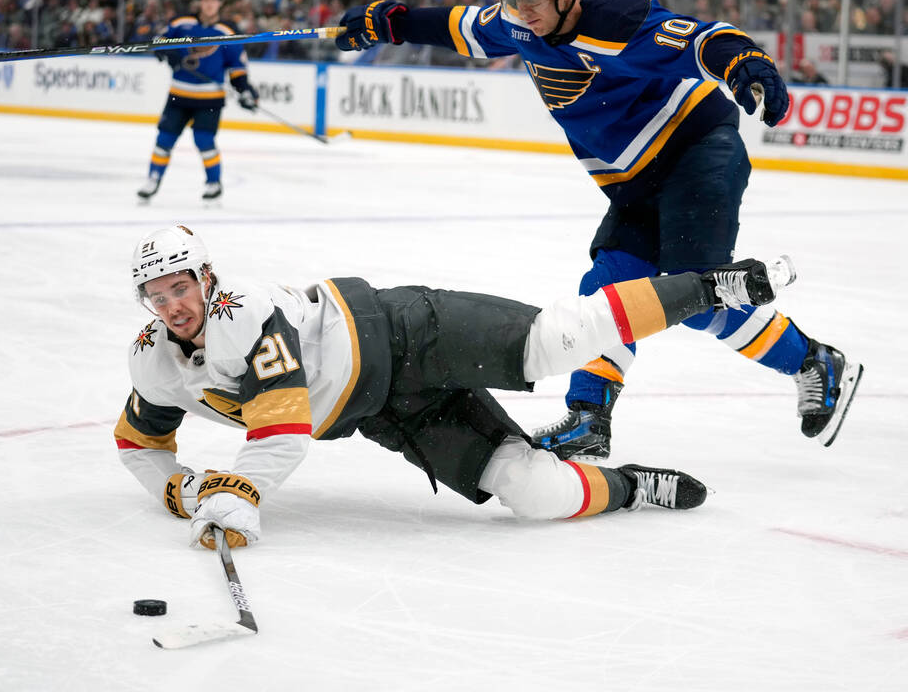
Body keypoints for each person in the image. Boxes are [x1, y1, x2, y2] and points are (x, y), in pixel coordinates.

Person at [334, 0, 862, 461]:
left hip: (696, 152)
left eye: (533, 0)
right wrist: (392, 22)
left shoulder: (617, 20)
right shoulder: (520, 20)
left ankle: (815, 361)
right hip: (634, 183)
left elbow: (702, 38)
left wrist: (743, 61)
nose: (521, 11)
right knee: (608, 294)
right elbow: (464, 27)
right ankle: (589, 419)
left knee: (698, 294)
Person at [115, 225, 795, 548]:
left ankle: (713, 286)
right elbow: (136, 443)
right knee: (534, 494)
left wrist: (242, 489)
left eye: (181, 287)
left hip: (406, 328)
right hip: (388, 411)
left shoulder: (243, 310)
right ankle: (632, 486)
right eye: (158, 295)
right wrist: (181, 488)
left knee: (555, 341)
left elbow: (283, 421)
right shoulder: (154, 360)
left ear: (206, 278)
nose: (173, 305)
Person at [137, 0, 259, 203]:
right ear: (200, 2)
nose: (209, 4)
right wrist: (166, 51)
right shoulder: (182, 23)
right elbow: (159, 41)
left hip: (209, 98)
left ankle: (213, 183)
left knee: (204, 141)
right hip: (179, 94)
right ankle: (153, 179)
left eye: (214, 0)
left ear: (220, 3)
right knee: (164, 139)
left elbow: (237, 65)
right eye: (206, 0)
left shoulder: (228, 31)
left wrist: (244, 89)